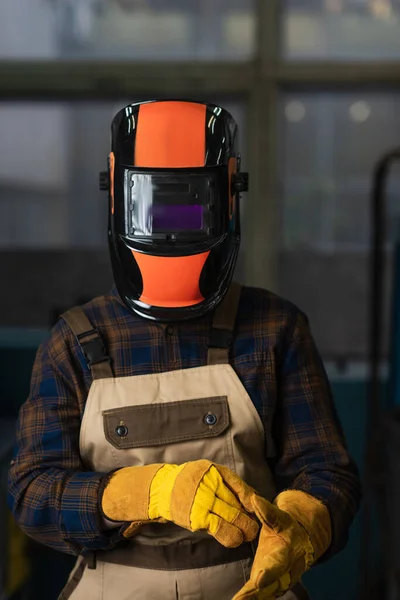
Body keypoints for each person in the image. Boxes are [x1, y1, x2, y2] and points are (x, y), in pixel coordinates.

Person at [8, 100, 361, 600]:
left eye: (189, 204)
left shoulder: (274, 328)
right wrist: (147, 492)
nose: (169, 227)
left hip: (249, 583)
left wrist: (307, 522)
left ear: (229, 194)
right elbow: (32, 493)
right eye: (152, 204)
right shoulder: (76, 342)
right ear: (117, 195)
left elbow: (329, 472)